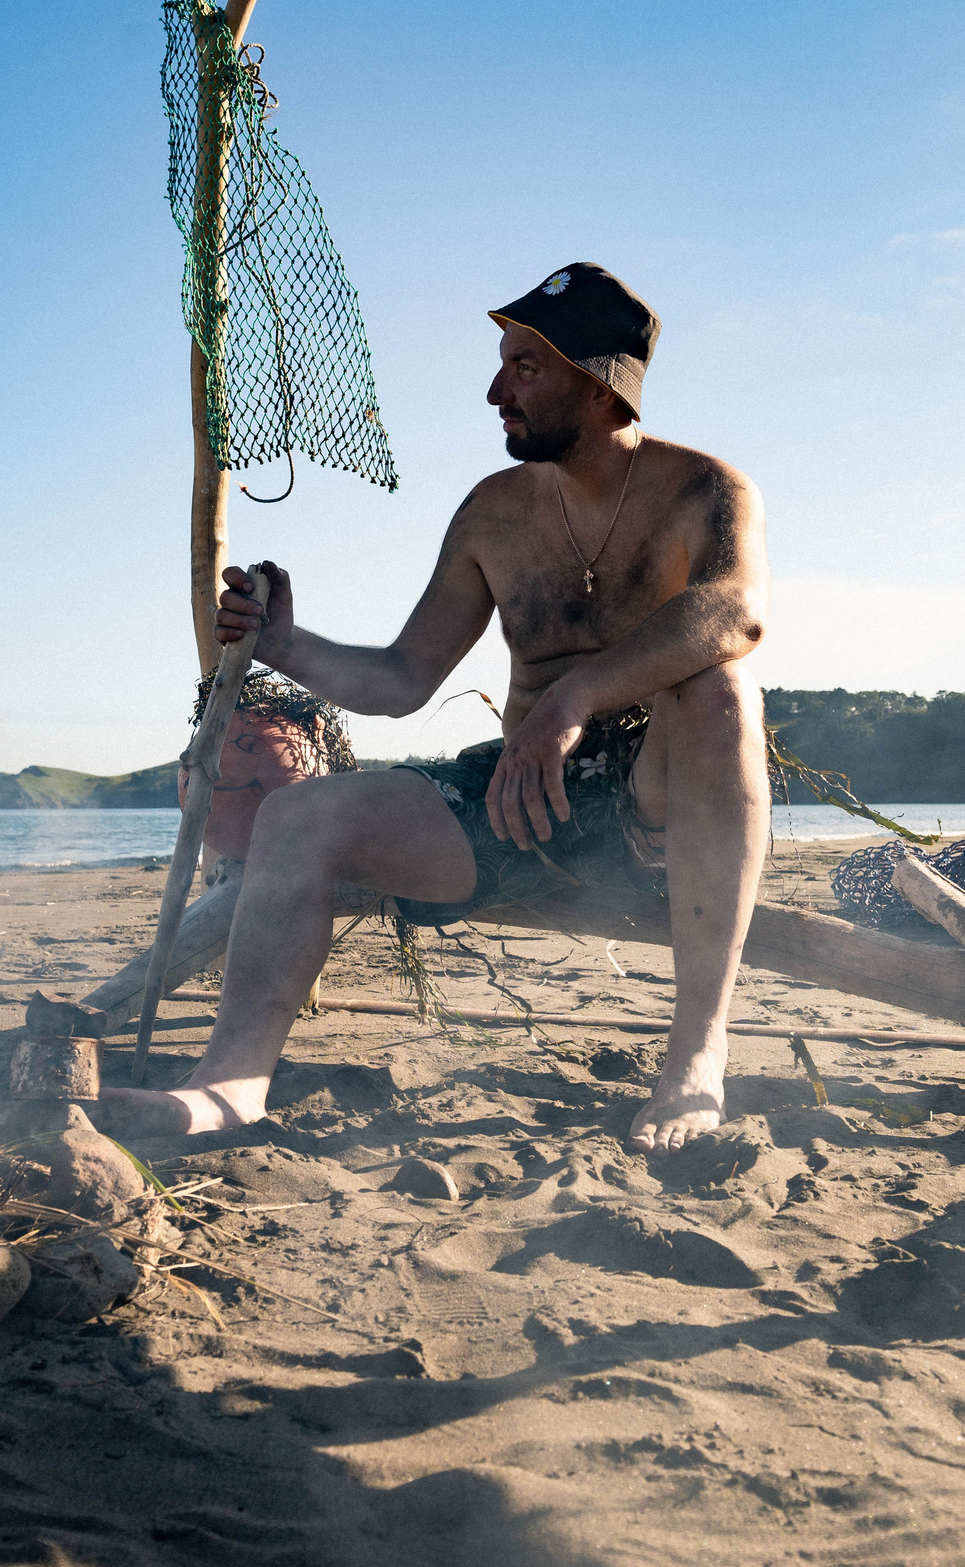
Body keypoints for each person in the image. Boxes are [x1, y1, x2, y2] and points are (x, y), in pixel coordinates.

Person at [104, 262, 770, 1153]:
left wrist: (574, 695)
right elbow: (405, 676)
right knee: (298, 816)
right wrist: (286, 646)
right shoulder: (492, 514)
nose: (497, 390)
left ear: (604, 380)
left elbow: (735, 611)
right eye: (503, 364)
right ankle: (232, 1082)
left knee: (720, 688)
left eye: (527, 367)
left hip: (660, 809)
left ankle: (695, 1059)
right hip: (520, 801)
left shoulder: (705, 489)